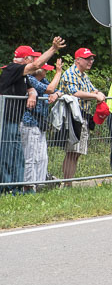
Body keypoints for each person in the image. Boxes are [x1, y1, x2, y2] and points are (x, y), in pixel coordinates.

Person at [2, 40, 62, 191]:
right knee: (7, 156)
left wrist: (32, 94)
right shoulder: (13, 68)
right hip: (5, 120)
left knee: (18, 157)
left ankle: (17, 188)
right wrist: (53, 49)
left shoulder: (23, 75)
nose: (36, 61)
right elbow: (36, 67)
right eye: (33, 57)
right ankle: (7, 189)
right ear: (26, 59)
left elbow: (32, 87)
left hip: (15, 120)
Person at [58, 47, 103, 185]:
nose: (91, 61)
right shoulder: (71, 73)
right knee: (72, 152)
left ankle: (69, 182)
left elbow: (92, 89)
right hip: (72, 117)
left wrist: (97, 92)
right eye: (87, 58)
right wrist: (96, 96)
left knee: (77, 152)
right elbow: (75, 92)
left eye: (92, 58)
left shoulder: (83, 75)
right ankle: (67, 183)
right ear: (78, 60)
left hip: (83, 116)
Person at [21, 56, 62, 190]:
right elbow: (50, 89)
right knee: (31, 157)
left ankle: (40, 185)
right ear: (39, 70)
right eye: (45, 69)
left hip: (40, 124)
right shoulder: (31, 80)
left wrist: (56, 94)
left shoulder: (43, 80)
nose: (47, 72)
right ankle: (29, 186)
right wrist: (58, 73)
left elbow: (56, 90)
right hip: (30, 123)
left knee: (42, 156)